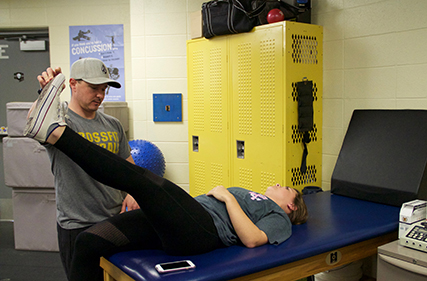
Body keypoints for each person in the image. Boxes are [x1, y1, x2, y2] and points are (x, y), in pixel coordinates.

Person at [24, 74, 308, 281]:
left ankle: (55, 134)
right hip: (180, 221)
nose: (279, 185)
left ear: (291, 205)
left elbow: (253, 240)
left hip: (203, 230)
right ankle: (52, 130)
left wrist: (228, 197)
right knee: (90, 241)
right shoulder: (259, 200)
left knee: (143, 181)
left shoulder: (277, 217)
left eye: (287, 189)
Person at [30, 58, 139, 280]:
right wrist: (47, 93)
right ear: (73, 83)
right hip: (78, 224)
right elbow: (33, 122)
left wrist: (133, 192)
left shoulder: (112, 124)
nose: (100, 95)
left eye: (104, 89)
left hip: (114, 220)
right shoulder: (59, 122)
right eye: (93, 88)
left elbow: (129, 167)